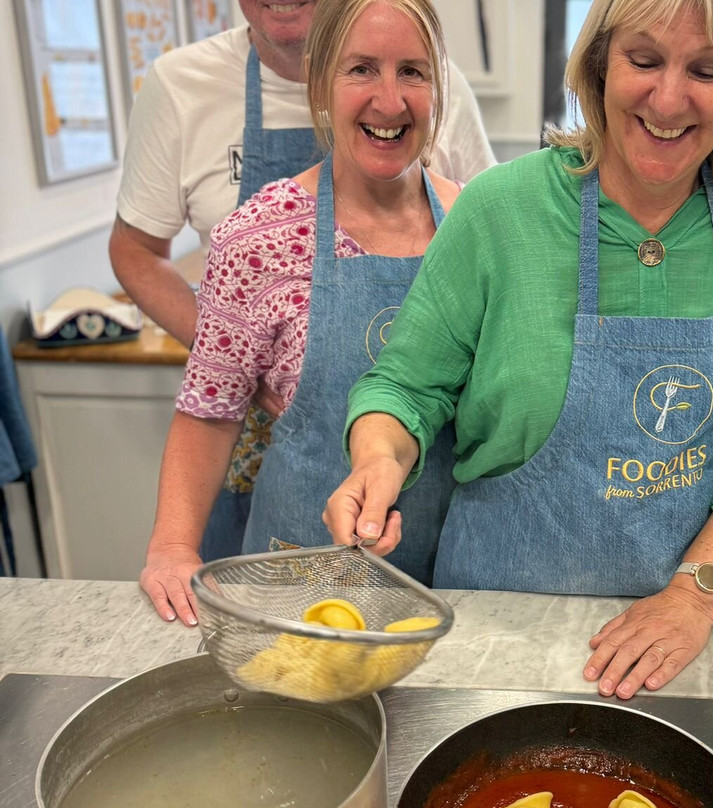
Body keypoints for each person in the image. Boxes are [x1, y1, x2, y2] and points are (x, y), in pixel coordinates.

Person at [324, 0, 713, 698]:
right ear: (599, 63)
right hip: (497, 624)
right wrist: (378, 459)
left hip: (691, 637)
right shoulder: (502, 210)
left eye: (707, 70)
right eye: (644, 60)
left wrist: (692, 597)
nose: (668, 98)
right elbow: (406, 386)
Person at [110, 0, 495, 563]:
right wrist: (171, 546)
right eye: (360, 69)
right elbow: (209, 410)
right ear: (320, 83)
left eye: (412, 71)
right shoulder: (257, 238)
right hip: (303, 563)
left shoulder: (479, 228)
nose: (389, 100)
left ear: (441, 88)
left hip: (457, 562)